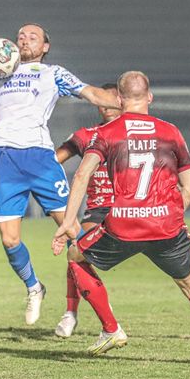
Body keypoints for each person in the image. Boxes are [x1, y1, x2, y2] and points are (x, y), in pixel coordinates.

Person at [52, 71, 190, 366]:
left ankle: (111, 328)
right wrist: (176, 220)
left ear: (118, 99)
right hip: (166, 226)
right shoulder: (171, 132)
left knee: (75, 255)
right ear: (150, 98)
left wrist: (68, 221)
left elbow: (83, 173)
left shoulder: (106, 133)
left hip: (122, 226)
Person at [0, 23, 118, 325]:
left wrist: (128, 104)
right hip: (4, 158)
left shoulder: (53, 73)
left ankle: (99, 316)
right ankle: (34, 287)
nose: (24, 39)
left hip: (40, 158)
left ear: (45, 46)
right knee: (9, 239)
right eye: (20, 36)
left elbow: (92, 94)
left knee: (75, 234)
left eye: (33, 36)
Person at [53, 83, 120, 338]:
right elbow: (53, 160)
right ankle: (71, 312)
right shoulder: (86, 135)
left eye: (111, 98)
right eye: (101, 99)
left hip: (131, 208)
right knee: (76, 251)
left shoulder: (134, 133)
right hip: (99, 209)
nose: (106, 104)